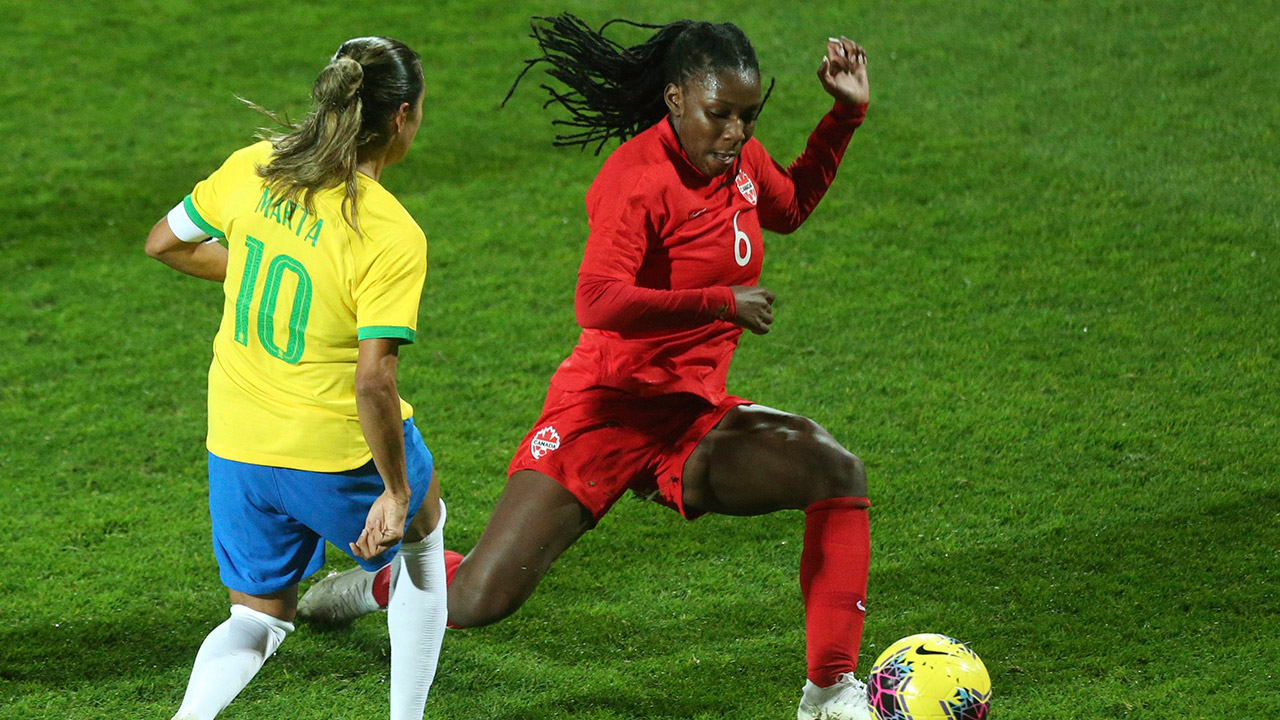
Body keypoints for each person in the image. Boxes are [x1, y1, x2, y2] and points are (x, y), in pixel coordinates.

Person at [300, 15, 872, 720]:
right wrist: (720, 301)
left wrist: (844, 115)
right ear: (675, 100)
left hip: (690, 415)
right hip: (602, 409)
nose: (734, 134)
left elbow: (791, 206)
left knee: (835, 470)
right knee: (479, 599)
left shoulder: (740, 164)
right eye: (718, 115)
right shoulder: (635, 178)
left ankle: (829, 693)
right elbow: (597, 301)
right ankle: (386, 583)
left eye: (747, 118)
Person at [145, 36, 447, 720]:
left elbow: (165, 242)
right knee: (425, 534)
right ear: (401, 118)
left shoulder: (253, 166)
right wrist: (395, 491)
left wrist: (248, 263)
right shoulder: (389, 232)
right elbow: (374, 381)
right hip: (335, 456)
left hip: (238, 444)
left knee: (257, 618)